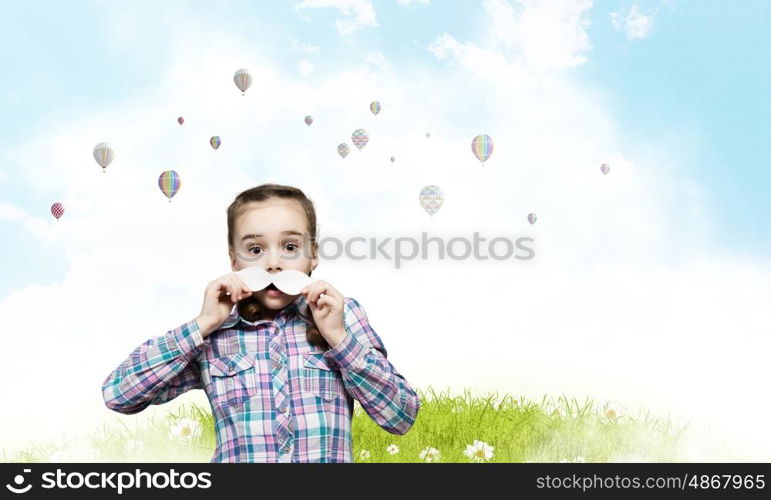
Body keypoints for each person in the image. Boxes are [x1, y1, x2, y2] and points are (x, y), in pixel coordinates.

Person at [102, 183, 421, 462]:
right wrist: (202, 324)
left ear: (313, 255)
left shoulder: (343, 316)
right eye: (255, 249)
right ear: (233, 259)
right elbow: (119, 395)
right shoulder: (215, 333)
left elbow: (401, 417)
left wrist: (339, 338)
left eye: (290, 247)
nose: (272, 263)